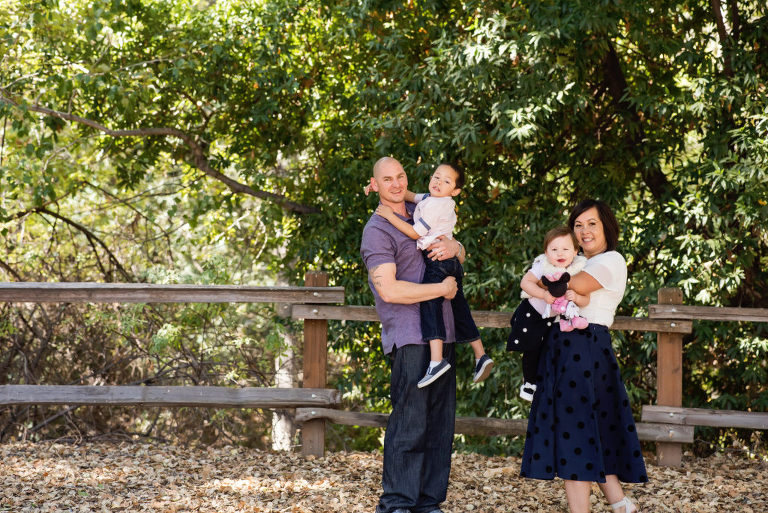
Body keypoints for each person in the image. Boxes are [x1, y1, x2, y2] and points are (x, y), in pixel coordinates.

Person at [520, 199, 648, 513]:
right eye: (578, 225)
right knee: (593, 429)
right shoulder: (576, 261)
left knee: (574, 433)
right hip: (566, 347)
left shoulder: (611, 259)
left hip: (585, 347)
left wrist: (539, 276)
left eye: (592, 223)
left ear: (606, 225)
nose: (584, 231)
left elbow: (558, 286)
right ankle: (620, 504)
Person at [361, 156, 465, 513]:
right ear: (374, 185)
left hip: (443, 333)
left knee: (439, 425)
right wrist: (440, 290)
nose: (396, 183)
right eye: (386, 179)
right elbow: (389, 290)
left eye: (401, 176)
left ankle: (428, 502)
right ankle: (397, 504)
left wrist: (456, 248)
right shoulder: (378, 228)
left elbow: (453, 249)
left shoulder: (425, 207)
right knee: (411, 422)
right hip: (409, 335)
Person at [374, 162, 493, 388]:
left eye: (446, 181)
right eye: (436, 176)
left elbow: (414, 232)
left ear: (455, 191)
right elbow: (409, 194)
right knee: (460, 307)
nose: (438, 182)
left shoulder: (436, 206)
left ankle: (436, 361)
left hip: (439, 262)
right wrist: (378, 188)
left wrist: (389, 215)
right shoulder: (432, 198)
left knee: (430, 303)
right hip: (448, 261)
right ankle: (481, 354)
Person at [509, 226, 590, 401]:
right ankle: (528, 383)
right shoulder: (542, 265)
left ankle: (542, 382)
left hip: (550, 320)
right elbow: (525, 283)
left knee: (545, 350)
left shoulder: (578, 270)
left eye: (566, 249)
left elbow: (586, 299)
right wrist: (543, 294)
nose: (560, 254)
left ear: (576, 251)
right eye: (554, 249)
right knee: (531, 349)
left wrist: (575, 296)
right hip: (532, 312)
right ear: (546, 252)